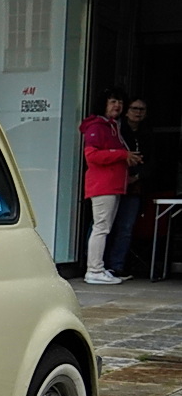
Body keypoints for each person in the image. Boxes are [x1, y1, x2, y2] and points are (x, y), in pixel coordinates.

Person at [81, 88, 140, 285]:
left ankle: (97, 268)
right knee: (101, 228)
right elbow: (92, 156)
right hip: (103, 185)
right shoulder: (97, 127)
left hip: (112, 185)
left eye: (119, 102)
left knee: (104, 227)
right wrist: (122, 155)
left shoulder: (111, 126)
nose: (117, 106)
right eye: (113, 101)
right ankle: (94, 269)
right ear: (103, 104)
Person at [105, 97, 149, 278]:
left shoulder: (147, 133)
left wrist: (137, 176)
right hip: (113, 183)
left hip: (134, 187)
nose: (138, 112)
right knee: (103, 225)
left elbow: (153, 161)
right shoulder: (116, 130)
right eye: (134, 108)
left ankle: (116, 266)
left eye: (142, 109)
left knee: (125, 228)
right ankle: (96, 264)